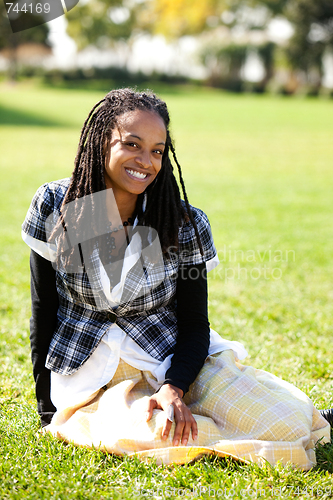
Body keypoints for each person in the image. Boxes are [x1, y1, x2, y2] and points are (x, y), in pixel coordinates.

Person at [22, 88, 330, 470]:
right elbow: (43, 311)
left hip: (169, 357)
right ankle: (197, 430)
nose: (145, 161)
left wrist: (174, 387)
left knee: (288, 422)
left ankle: (260, 420)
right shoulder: (56, 205)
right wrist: (45, 410)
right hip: (94, 377)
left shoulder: (184, 222)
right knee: (149, 433)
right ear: (102, 141)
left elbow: (195, 324)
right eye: (132, 145)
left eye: (156, 150)